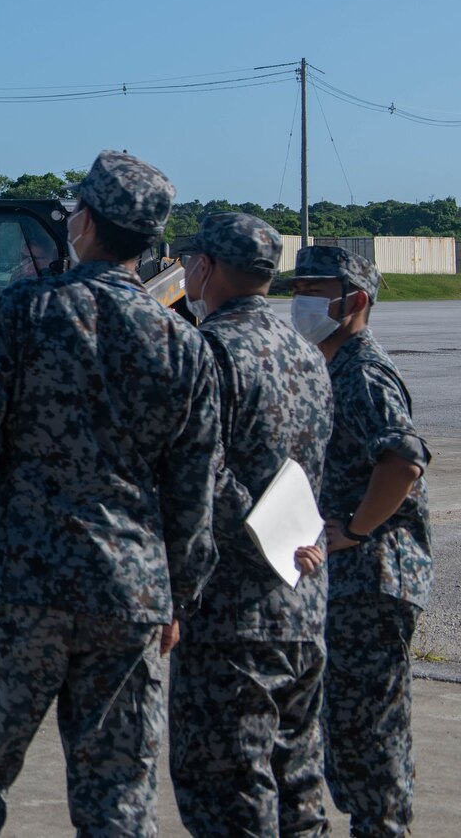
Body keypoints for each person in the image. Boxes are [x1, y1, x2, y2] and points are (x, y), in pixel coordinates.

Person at [0, 151, 221, 838]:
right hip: (131, 593)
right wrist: (177, 590)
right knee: (117, 798)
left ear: (83, 222)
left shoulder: (28, 312)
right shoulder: (183, 344)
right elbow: (194, 487)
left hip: (25, 584)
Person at [167, 212, 333, 837]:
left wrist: (176, 592)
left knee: (230, 791)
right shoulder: (308, 353)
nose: (185, 272)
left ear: (207, 268)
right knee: (297, 786)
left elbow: (200, 476)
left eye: (189, 261)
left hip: (231, 614)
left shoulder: (209, 350)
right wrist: (300, 543)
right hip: (302, 599)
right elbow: (317, 469)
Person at [292, 245, 432, 838]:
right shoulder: (331, 364)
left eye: (317, 289)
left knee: (370, 739)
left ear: (355, 299)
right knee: (346, 735)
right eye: (299, 287)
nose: (302, 301)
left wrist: (353, 528)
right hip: (349, 584)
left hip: (373, 582)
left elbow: (402, 460)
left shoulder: (364, 371)